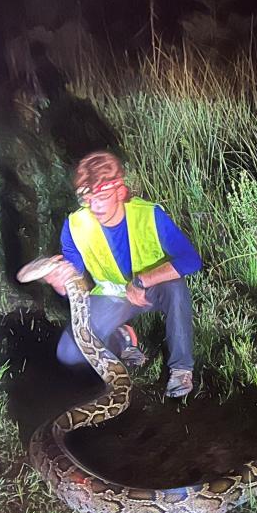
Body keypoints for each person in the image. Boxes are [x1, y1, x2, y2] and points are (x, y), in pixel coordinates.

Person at [39, 151, 202, 399]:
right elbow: (76, 277)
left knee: (176, 287)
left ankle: (181, 369)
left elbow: (190, 260)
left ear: (120, 192)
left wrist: (141, 281)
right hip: (112, 296)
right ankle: (123, 337)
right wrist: (60, 282)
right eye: (88, 198)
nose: (95, 206)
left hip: (151, 290)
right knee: (69, 353)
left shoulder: (149, 216)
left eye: (102, 197)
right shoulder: (75, 225)